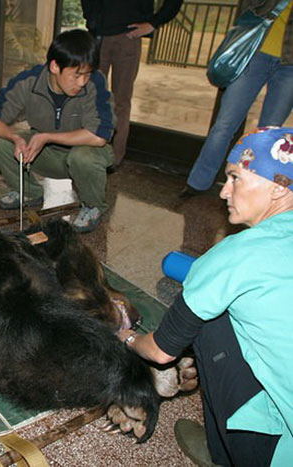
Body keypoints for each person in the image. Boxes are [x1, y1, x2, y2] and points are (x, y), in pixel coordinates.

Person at [119, 127, 293, 466]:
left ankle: (223, 451)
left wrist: (128, 339)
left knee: (206, 322)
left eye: (235, 178)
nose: (224, 191)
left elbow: (160, 350)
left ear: (277, 187)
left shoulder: (234, 255)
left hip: (280, 452)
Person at [0, 29, 115, 233]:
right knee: (1, 144)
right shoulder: (29, 81)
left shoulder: (95, 83)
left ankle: (93, 206)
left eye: (86, 74)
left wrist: (46, 137)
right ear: (54, 66)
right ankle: (28, 192)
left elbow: (99, 136)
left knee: (84, 158)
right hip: (46, 155)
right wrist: (14, 137)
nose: (82, 82)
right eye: (76, 75)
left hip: (83, 153)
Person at [181, 0, 293, 197]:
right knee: (224, 124)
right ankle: (197, 183)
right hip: (254, 53)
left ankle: (249, 191)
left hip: (289, 64)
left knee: (269, 133)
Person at [81, 0, 183, 167]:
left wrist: (153, 23)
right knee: (91, 97)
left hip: (128, 36)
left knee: (120, 102)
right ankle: (86, 152)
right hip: (98, 36)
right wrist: (92, 18)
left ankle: (113, 159)